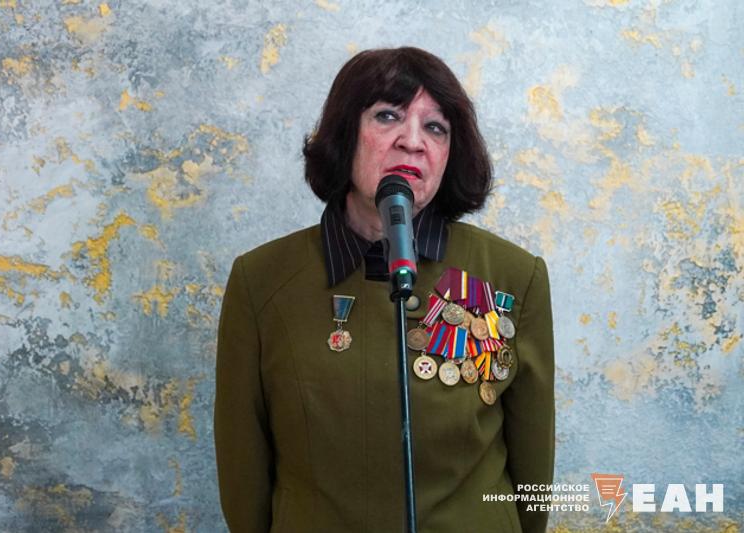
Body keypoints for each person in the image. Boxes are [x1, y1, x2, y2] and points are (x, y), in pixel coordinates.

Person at [214, 47, 554, 533]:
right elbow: (243, 474)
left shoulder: (513, 276)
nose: (413, 141)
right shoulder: (261, 280)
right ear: (344, 133)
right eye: (388, 116)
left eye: (435, 127)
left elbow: (533, 472)